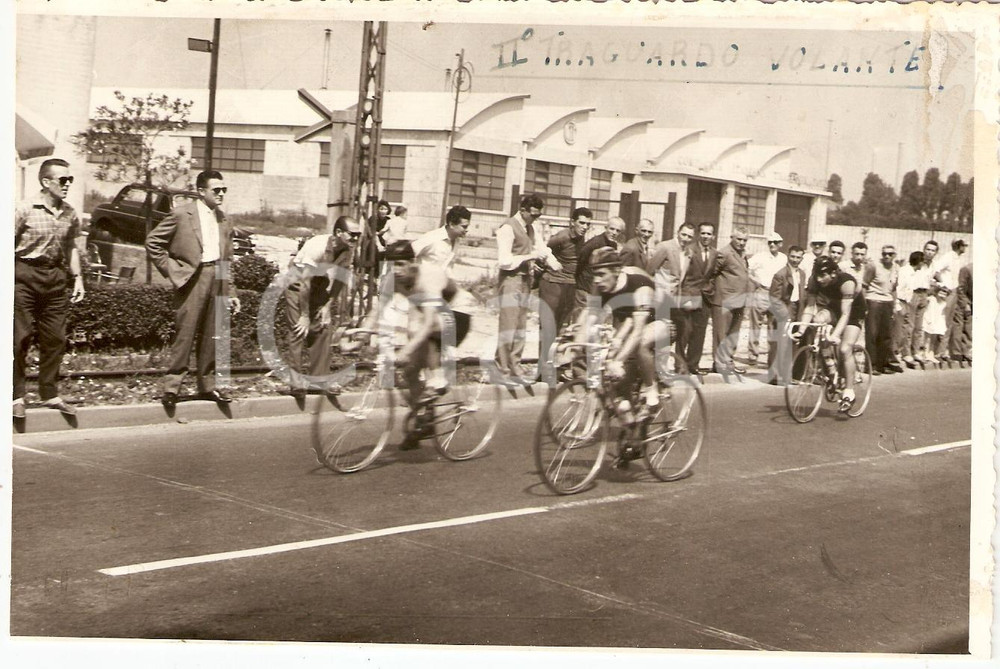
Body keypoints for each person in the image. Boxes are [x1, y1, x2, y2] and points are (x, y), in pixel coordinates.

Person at [355, 240, 477, 448]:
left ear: (413, 262)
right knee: (410, 372)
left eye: (401, 264)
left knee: (422, 332)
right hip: (433, 318)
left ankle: (439, 380)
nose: (397, 271)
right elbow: (377, 310)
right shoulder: (394, 279)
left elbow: (429, 323)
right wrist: (360, 336)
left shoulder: (428, 277)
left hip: (458, 312)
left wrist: (405, 350)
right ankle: (424, 420)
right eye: (393, 266)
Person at [146, 169, 241, 409]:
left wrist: (231, 292)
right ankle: (172, 388)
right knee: (185, 334)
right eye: (216, 190)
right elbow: (153, 242)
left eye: (224, 190)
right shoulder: (181, 214)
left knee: (212, 335)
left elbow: (227, 259)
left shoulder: (225, 219)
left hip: (217, 278)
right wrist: (173, 270)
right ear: (201, 191)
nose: (221, 194)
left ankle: (207, 387)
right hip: (192, 278)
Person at [13, 158, 87, 419]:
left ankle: (49, 393)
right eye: (62, 180)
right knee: (18, 338)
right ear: (46, 182)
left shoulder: (69, 212)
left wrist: (77, 278)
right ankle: (15, 396)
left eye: (70, 180)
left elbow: (71, 247)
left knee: (55, 338)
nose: (67, 184)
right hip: (24, 274)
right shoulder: (23, 209)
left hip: (55, 277)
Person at [574, 247, 664, 431]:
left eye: (601, 274)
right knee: (609, 361)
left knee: (639, 345)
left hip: (660, 319)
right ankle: (630, 422)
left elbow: (638, 330)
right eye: (594, 275)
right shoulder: (600, 283)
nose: (596, 280)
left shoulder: (640, 285)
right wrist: (573, 347)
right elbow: (590, 315)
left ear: (616, 271)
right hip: (628, 319)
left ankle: (651, 389)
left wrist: (618, 361)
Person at [283, 216, 362, 399]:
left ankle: (318, 381)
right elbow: (304, 283)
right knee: (298, 329)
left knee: (322, 327)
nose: (355, 239)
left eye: (358, 235)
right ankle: (296, 383)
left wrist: (327, 305)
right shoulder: (317, 246)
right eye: (352, 235)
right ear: (338, 233)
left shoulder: (348, 250)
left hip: (319, 282)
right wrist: (304, 315)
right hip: (299, 281)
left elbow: (340, 279)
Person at [494, 193, 562, 384]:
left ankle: (515, 367)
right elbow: (504, 261)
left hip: (525, 280)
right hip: (510, 279)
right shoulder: (507, 228)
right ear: (522, 210)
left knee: (520, 326)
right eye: (533, 215)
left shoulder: (530, 227)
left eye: (538, 216)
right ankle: (502, 370)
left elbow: (542, 248)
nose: (535, 219)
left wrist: (553, 261)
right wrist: (530, 256)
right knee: (508, 326)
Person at [796, 256, 867, 410]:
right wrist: (801, 330)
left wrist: (835, 335)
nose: (820, 280)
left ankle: (849, 392)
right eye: (818, 276)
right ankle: (830, 366)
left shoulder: (847, 282)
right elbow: (809, 307)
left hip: (854, 311)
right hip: (834, 307)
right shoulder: (814, 280)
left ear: (833, 273)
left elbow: (845, 315)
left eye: (823, 276)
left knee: (844, 348)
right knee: (817, 319)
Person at [538, 206, 592, 378]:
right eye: (581, 223)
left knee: (561, 328)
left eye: (587, 224)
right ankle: (543, 370)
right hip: (552, 283)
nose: (584, 226)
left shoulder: (581, 239)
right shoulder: (561, 237)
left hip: (570, 286)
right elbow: (545, 251)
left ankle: (554, 367)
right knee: (548, 326)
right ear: (572, 222)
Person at [646, 222, 696, 374]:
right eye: (684, 235)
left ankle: (660, 366)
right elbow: (649, 270)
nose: (686, 239)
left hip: (674, 300)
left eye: (690, 237)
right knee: (660, 332)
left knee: (670, 333)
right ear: (678, 232)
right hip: (659, 298)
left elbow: (680, 278)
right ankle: (654, 366)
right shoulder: (665, 247)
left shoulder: (689, 253)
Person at [707, 226, 754, 376]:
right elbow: (711, 273)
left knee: (733, 334)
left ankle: (728, 362)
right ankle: (720, 364)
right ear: (732, 238)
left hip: (740, 299)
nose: (741, 242)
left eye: (744, 240)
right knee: (721, 334)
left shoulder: (743, 253)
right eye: (739, 239)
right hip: (725, 300)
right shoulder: (724, 253)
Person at [747, 232, 787, 366]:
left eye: (775, 242)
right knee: (755, 324)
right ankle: (753, 354)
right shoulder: (760, 257)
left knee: (773, 325)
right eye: (770, 242)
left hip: (776, 294)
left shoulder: (784, 258)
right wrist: (755, 281)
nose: (772, 245)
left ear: (780, 244)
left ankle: (772, 356)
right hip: (762, 291)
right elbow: (746, 267)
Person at [683, 222, 718, 375]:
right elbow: (683, 274)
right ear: (699, 234)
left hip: (705, 297)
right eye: (703, 233)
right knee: (685, 331)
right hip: (690, 295)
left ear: (713, 236)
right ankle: (680, 365)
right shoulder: (689, 250)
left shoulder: (715, 253)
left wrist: (711, 288)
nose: (705, 237)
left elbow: (714, 274)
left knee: (700, 332)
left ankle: (692, 365)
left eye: (709, 234)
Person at [767, 245, 806, 384]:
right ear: (788, 256)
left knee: (792, 342)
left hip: (797, 309)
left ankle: (787, 375)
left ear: (802, 258)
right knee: (780, 342)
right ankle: (775, 376)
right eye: (793, 257)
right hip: (784, 308)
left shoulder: (801, 273)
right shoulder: (780, 274)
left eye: (798, 257)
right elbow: (774, 298)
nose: (795, 260)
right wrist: (784, 314)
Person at [863, 245, 899, 374]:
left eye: (890, 254)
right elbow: (864, 285)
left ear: (894, 255)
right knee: (872, 334)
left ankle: (882, 364)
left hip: (888, 303)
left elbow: (894, 288)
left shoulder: (896, 268)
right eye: (884, 254)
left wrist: (894, 305)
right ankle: (870, 365)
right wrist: (864, 305)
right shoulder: (873, 266)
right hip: (874, 301)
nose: (887, 257)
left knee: (886, 336)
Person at [930, 238, 968, 362]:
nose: (965, 248)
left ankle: (943, 351)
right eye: (964, 245)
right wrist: (944, 284)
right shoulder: (948, 257)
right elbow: (935, 271)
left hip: (956, 291)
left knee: (951, 322)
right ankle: (937, 352)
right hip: (949, 292)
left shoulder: (958, 258)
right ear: (959, 246)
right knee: (944, 321)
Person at [575, 216, 625, 307]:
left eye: (618, 231)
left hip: (597, 288)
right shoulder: (594, 243)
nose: (614, 233)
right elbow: (580, 261)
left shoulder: (613, 244)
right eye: (612, 229)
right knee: (581, 316)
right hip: (585, 287)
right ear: (606, 228)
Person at [896, 250, 932, 367]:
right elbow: (901, 288)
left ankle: (915, 351)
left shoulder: (922, 270)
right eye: (922, 262)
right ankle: (906, 352)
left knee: (918, 326)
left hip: (922, 294)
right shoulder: (905, 271)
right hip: (910, 297)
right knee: (909, 326)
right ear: (919, 262)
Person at [411, 205, 471, 272]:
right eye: (464, 227)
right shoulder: (433, 237)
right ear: (451, 224)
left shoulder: (456, 240)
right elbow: (406, 254)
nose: (466, 230)